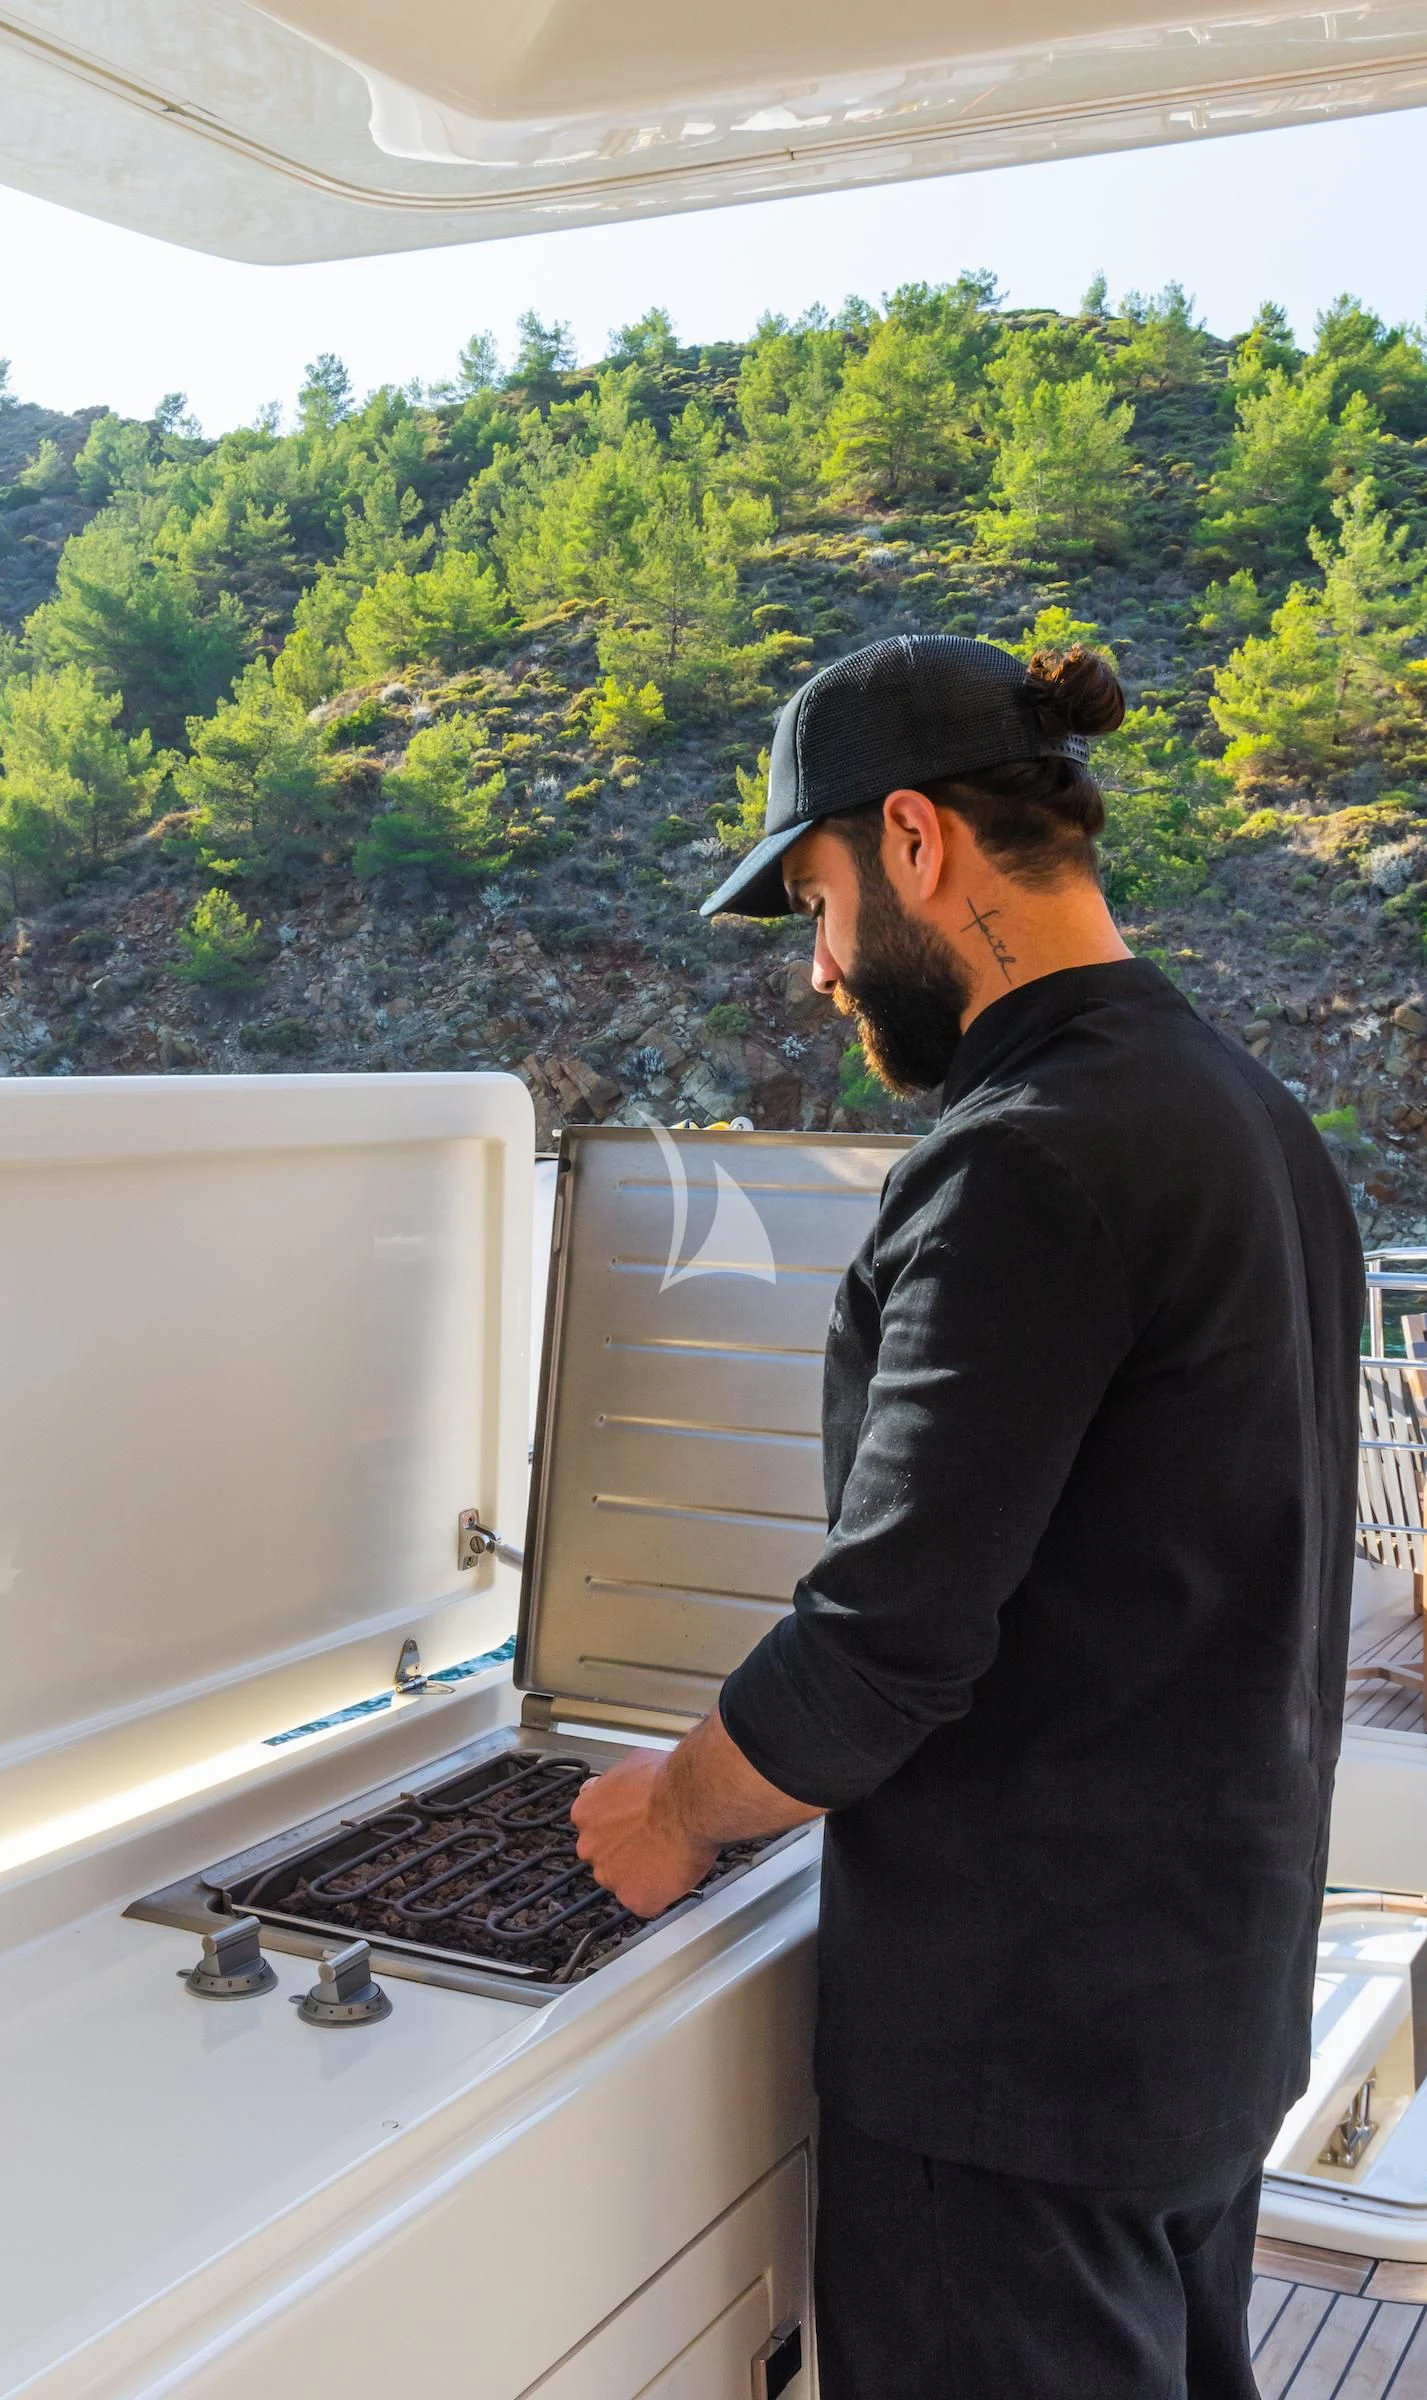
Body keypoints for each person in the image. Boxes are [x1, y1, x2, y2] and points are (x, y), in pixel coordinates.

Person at [570, 632, 1362, 2399]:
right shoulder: (1252, 1117)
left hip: (1015, 2071)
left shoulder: (1030, 1156)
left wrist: (678, 1808)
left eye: (821, 904)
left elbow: (884, 1647)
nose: (828, 974)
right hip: (1198, 2013)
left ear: (914, 841)